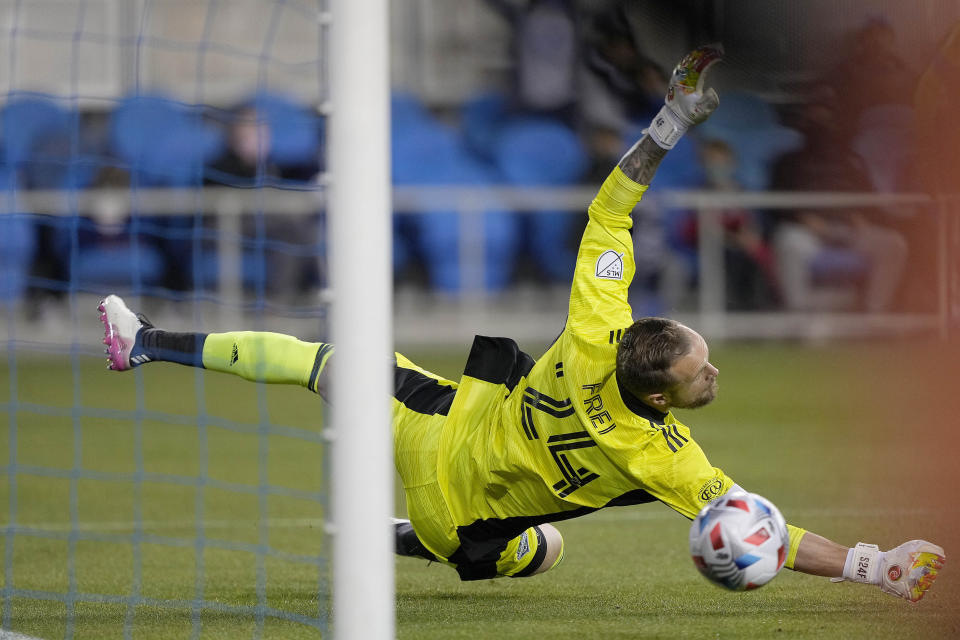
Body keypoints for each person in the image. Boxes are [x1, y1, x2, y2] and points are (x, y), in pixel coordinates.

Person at [97, 46, 944, 599]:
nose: (712, 370)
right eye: (701, 369)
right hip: (457, 527)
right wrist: (876, 566)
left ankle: (146, 344)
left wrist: (675, 120)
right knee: (544, 552)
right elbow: (777, 533)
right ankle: (400, 539)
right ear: (662, 398)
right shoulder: (663, 460)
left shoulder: (594, 328)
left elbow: (611, 210)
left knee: (320, 359)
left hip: (435, 430)